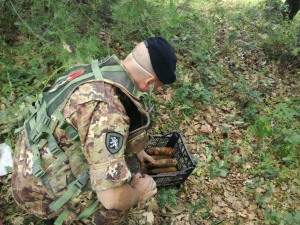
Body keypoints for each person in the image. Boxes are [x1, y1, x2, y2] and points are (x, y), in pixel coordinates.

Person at [11, 36, 177, 225]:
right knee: (115, 209)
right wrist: (139, 193)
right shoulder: (108, 113)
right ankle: (57, 216)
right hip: (35, 190)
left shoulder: (94, 71)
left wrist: (137, 149)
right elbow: (112, 198)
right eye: (155, 87)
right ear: (148, 82)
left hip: (31, 159)